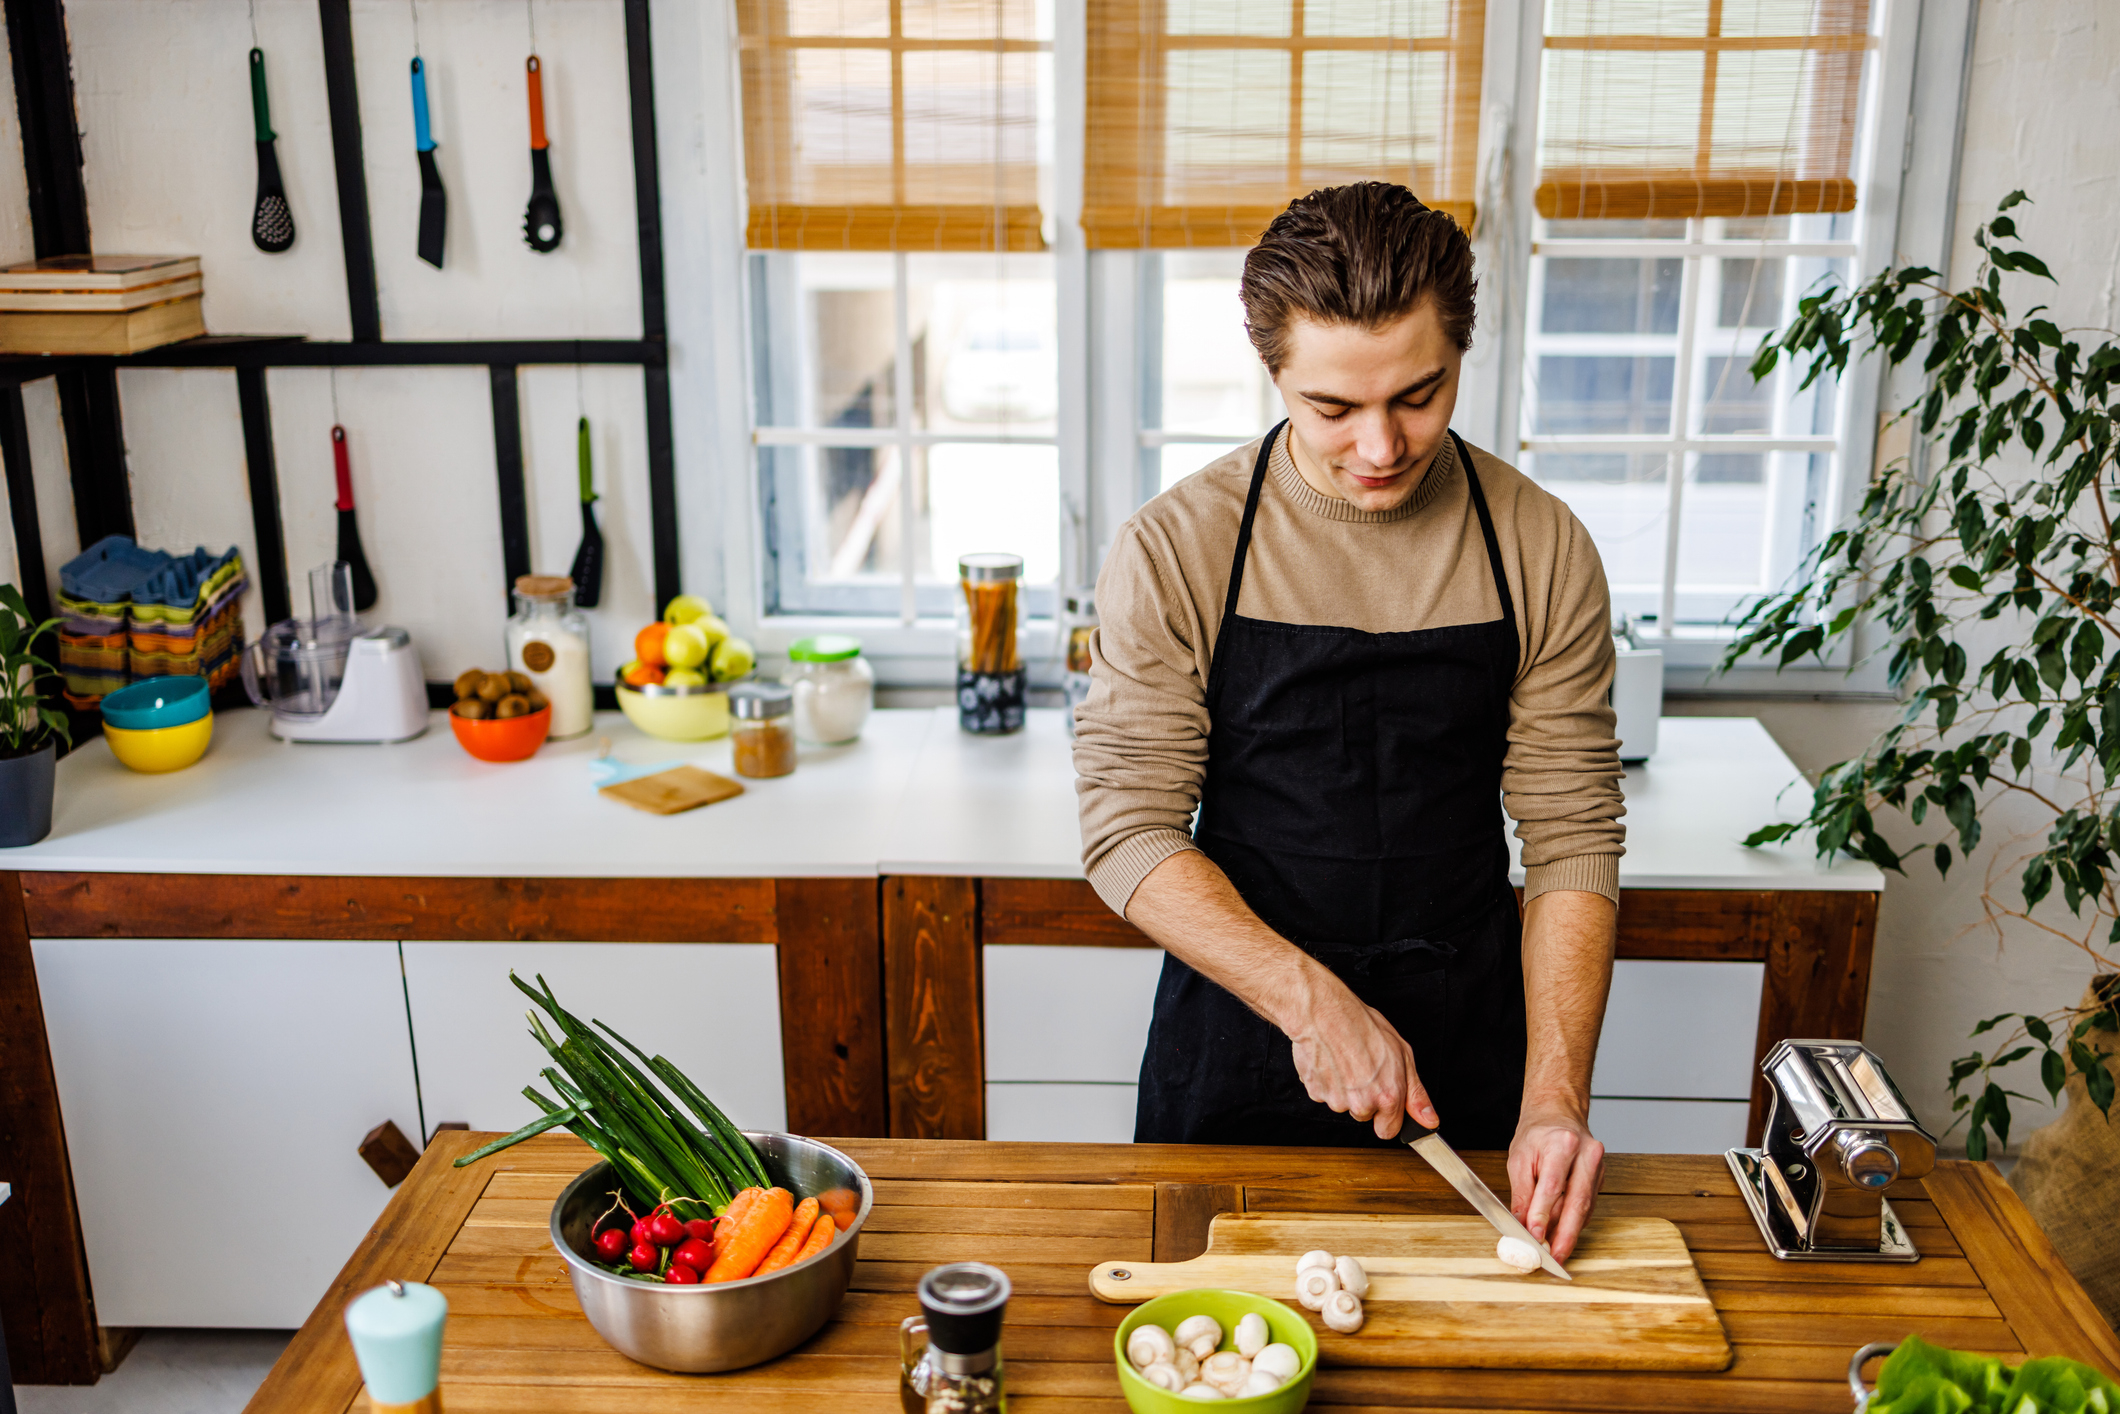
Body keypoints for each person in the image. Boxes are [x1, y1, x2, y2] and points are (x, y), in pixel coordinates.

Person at [1072, 182, 1624, 1261]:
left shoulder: (1539, 546)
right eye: (1330, 409)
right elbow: (1124, 830)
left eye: (1419, 394)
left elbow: (1570, 838)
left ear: (1461, 349)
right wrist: (1308, 1002)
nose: (1379, 446)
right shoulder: (1175, 546)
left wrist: (1551, 1097)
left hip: (1465, 1049)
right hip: (1237, 1036)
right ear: (1272, 374)